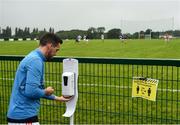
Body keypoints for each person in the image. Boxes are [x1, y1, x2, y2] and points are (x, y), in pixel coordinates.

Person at [7, 33, 71, 125]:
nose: (56, 54)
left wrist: (58, 98)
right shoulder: (35, 61)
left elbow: (34, 89)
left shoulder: (34, 57)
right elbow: (31, 91)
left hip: (20, 116)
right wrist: (46, 91)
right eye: (56, 50)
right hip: (24, 117)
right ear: (50, 46)